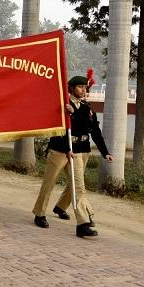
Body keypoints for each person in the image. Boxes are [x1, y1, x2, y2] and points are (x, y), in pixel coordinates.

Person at [32, 75, 114, 238]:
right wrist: (66, 147)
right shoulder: (62, 104)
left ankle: (82, 223)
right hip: (60, 150)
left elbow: (93, 129)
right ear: (71, 88)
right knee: (49, 183)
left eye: (85, 87)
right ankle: (39, 214)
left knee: (78, 186)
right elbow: (58, 129)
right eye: (80, 87)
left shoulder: (85, 107)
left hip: (77, 151)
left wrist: (105, 152)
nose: (84, 90)